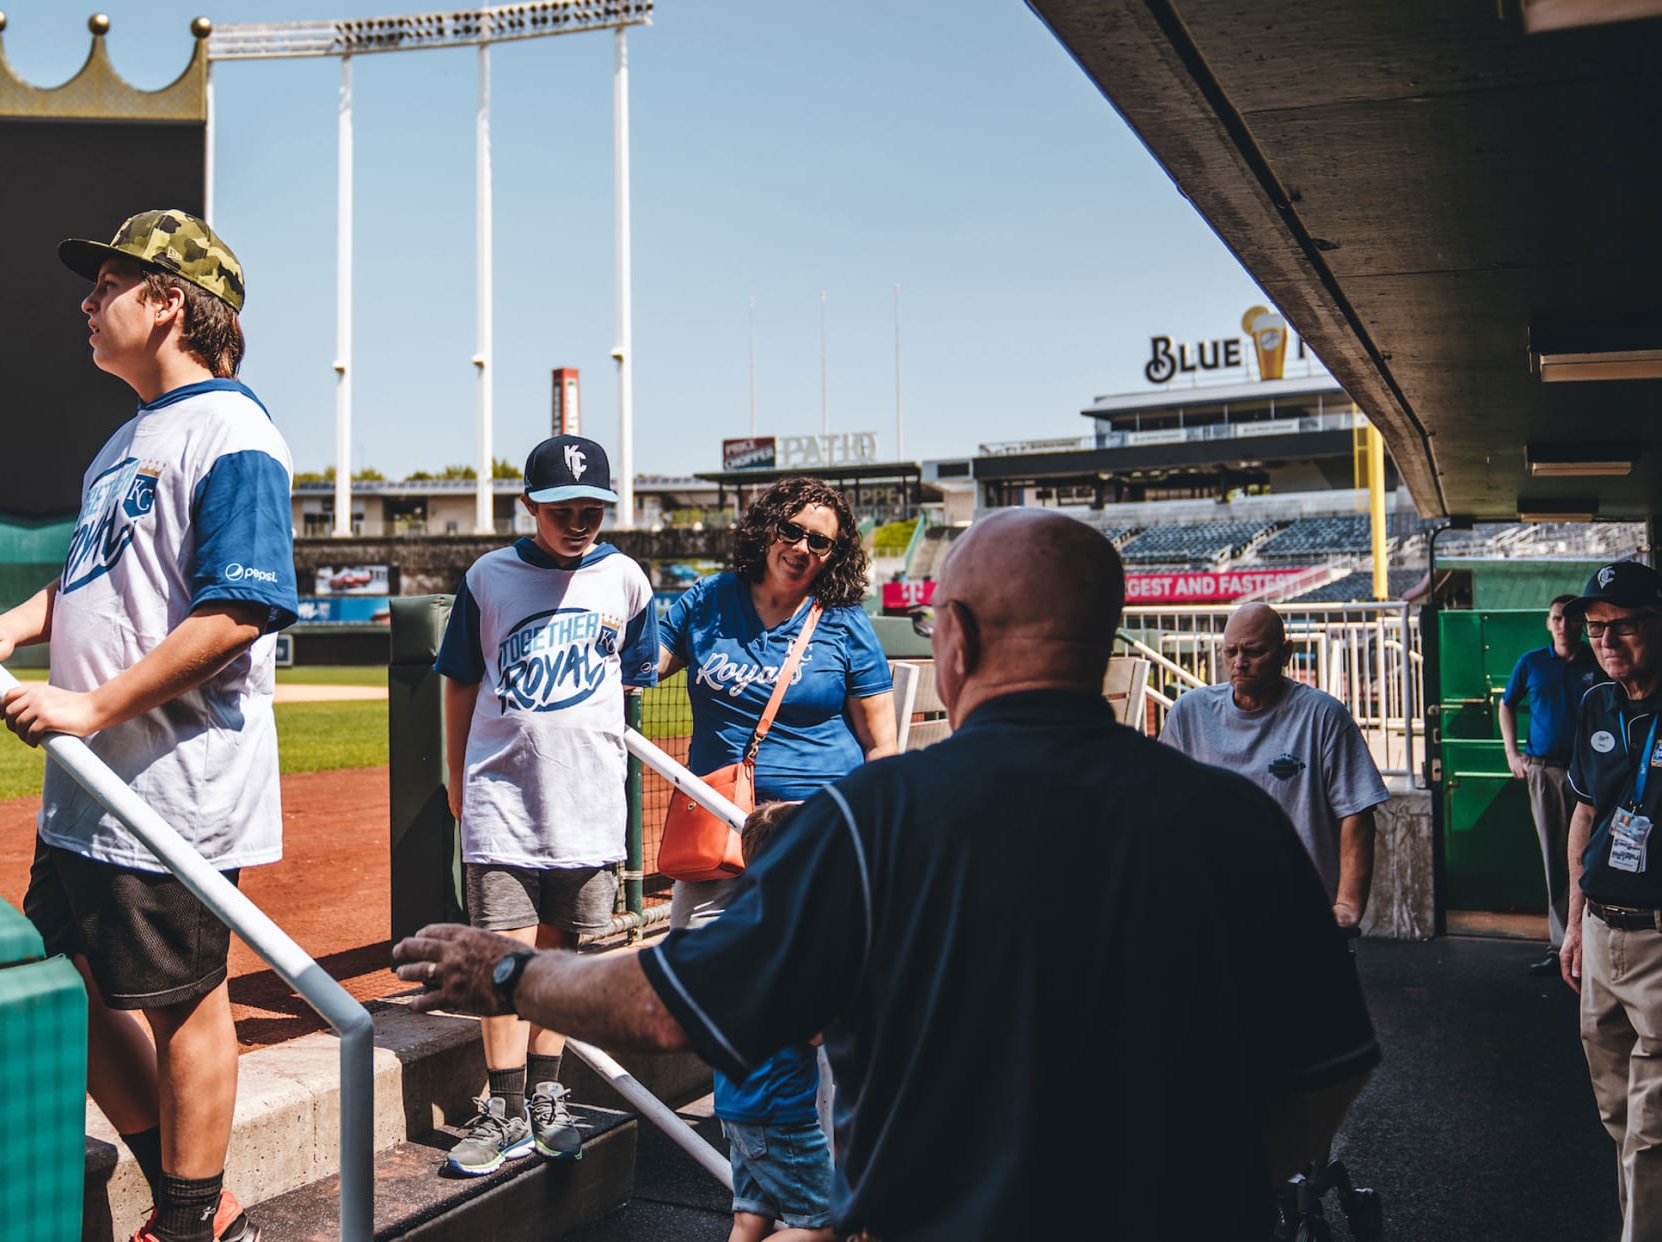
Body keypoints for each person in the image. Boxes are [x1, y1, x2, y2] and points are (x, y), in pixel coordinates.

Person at [395, 508, 1379, 1240]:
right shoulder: (1238, 823)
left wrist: (511, 970)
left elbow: (670, 1007)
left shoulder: (876, 823)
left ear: (957, 640)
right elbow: (1330, 1072)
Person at [0, 209, 291, 1242]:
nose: (87, 304)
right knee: (64, 982)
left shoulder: (233, 434)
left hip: (173, 786)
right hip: (91, 790)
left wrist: (89, 706)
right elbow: (87, 578)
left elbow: (240, 611)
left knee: (184, 1003)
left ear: (170, 301)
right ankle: (194, 1197)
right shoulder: (123, 443)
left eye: (108, 286)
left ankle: (187, 1222)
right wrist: (8, 626)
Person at [432, 433, 659, 1177]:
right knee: (501, 954)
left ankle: (546, 1096)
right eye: (563, 508)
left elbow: (633, 678)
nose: (579, 521)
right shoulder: (489, 577)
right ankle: (502, 1107)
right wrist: (456, 773)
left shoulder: (625, 579)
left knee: (560, 957)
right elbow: (460, 679)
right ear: (528, 504)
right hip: (503, 797)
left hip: (588, 805)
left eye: (593, 508)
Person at [655, 474, 899, 931]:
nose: (801, 547)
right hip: (719, 823)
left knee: (816, 960)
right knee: (696, 955)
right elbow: (643, 666)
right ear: (767, 528)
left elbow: (881, 743)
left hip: (818, 823)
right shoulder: (709, 599)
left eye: (819, 541)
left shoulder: (844, 621)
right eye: (791, 531)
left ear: (833, 554)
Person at [1161, 602, 1391, 927]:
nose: (1239, 663)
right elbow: (1164, 808)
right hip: (1214, 909)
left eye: (1253, 652)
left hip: (1300, 910)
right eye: (1231, 652)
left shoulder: (1322, 717)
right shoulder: (1189, 714)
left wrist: (1348, 904)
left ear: (1285, 653)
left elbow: (1356, 812)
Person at [1562, 561, 1662, 1239]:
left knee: (1653, 1132)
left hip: (1657, 939)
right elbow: (1587, 812)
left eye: (1622, 625)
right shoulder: (1597, 702)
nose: (1606, 640)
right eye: (1596, 628)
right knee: (1620, 1117)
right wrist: (1573, 925)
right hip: (1600, 932)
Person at [718, 799, 836, 1242]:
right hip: (778, 1111)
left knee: (750, 1220)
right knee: (827, 1226)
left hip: (738, 1101)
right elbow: (815, 1031)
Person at [1501, 594, 1602, 974]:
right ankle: (1562, 944)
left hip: (1592, 774)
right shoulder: (1532, 662)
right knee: (1557, 859)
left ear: (1581, 624)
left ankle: (1596, 944)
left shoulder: (1597, 661)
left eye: (1571, 619)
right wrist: (1512, 753)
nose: (1564, 625)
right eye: (1557, 618)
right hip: (1546, 773)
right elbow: (1507, 704)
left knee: (1594, 856)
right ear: (1549, 623)